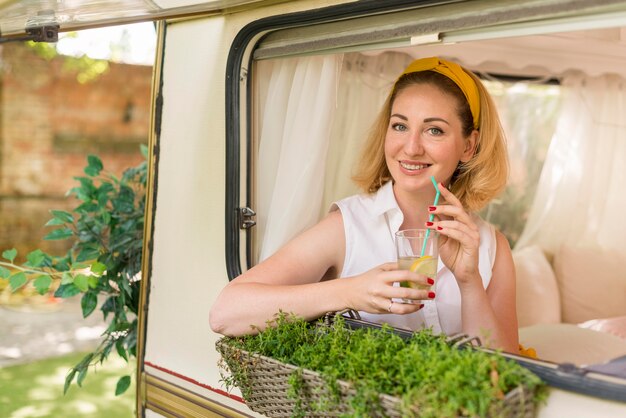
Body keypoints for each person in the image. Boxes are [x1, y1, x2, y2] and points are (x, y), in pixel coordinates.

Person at [210, 56, 518, 352]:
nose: (411, 148)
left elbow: (502, 378)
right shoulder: (348, 226)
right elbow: (225, 311)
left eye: (434, 130)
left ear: (469, 145)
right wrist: (350, 291)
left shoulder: (492, 246)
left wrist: (469, 282)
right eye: (400, 126)